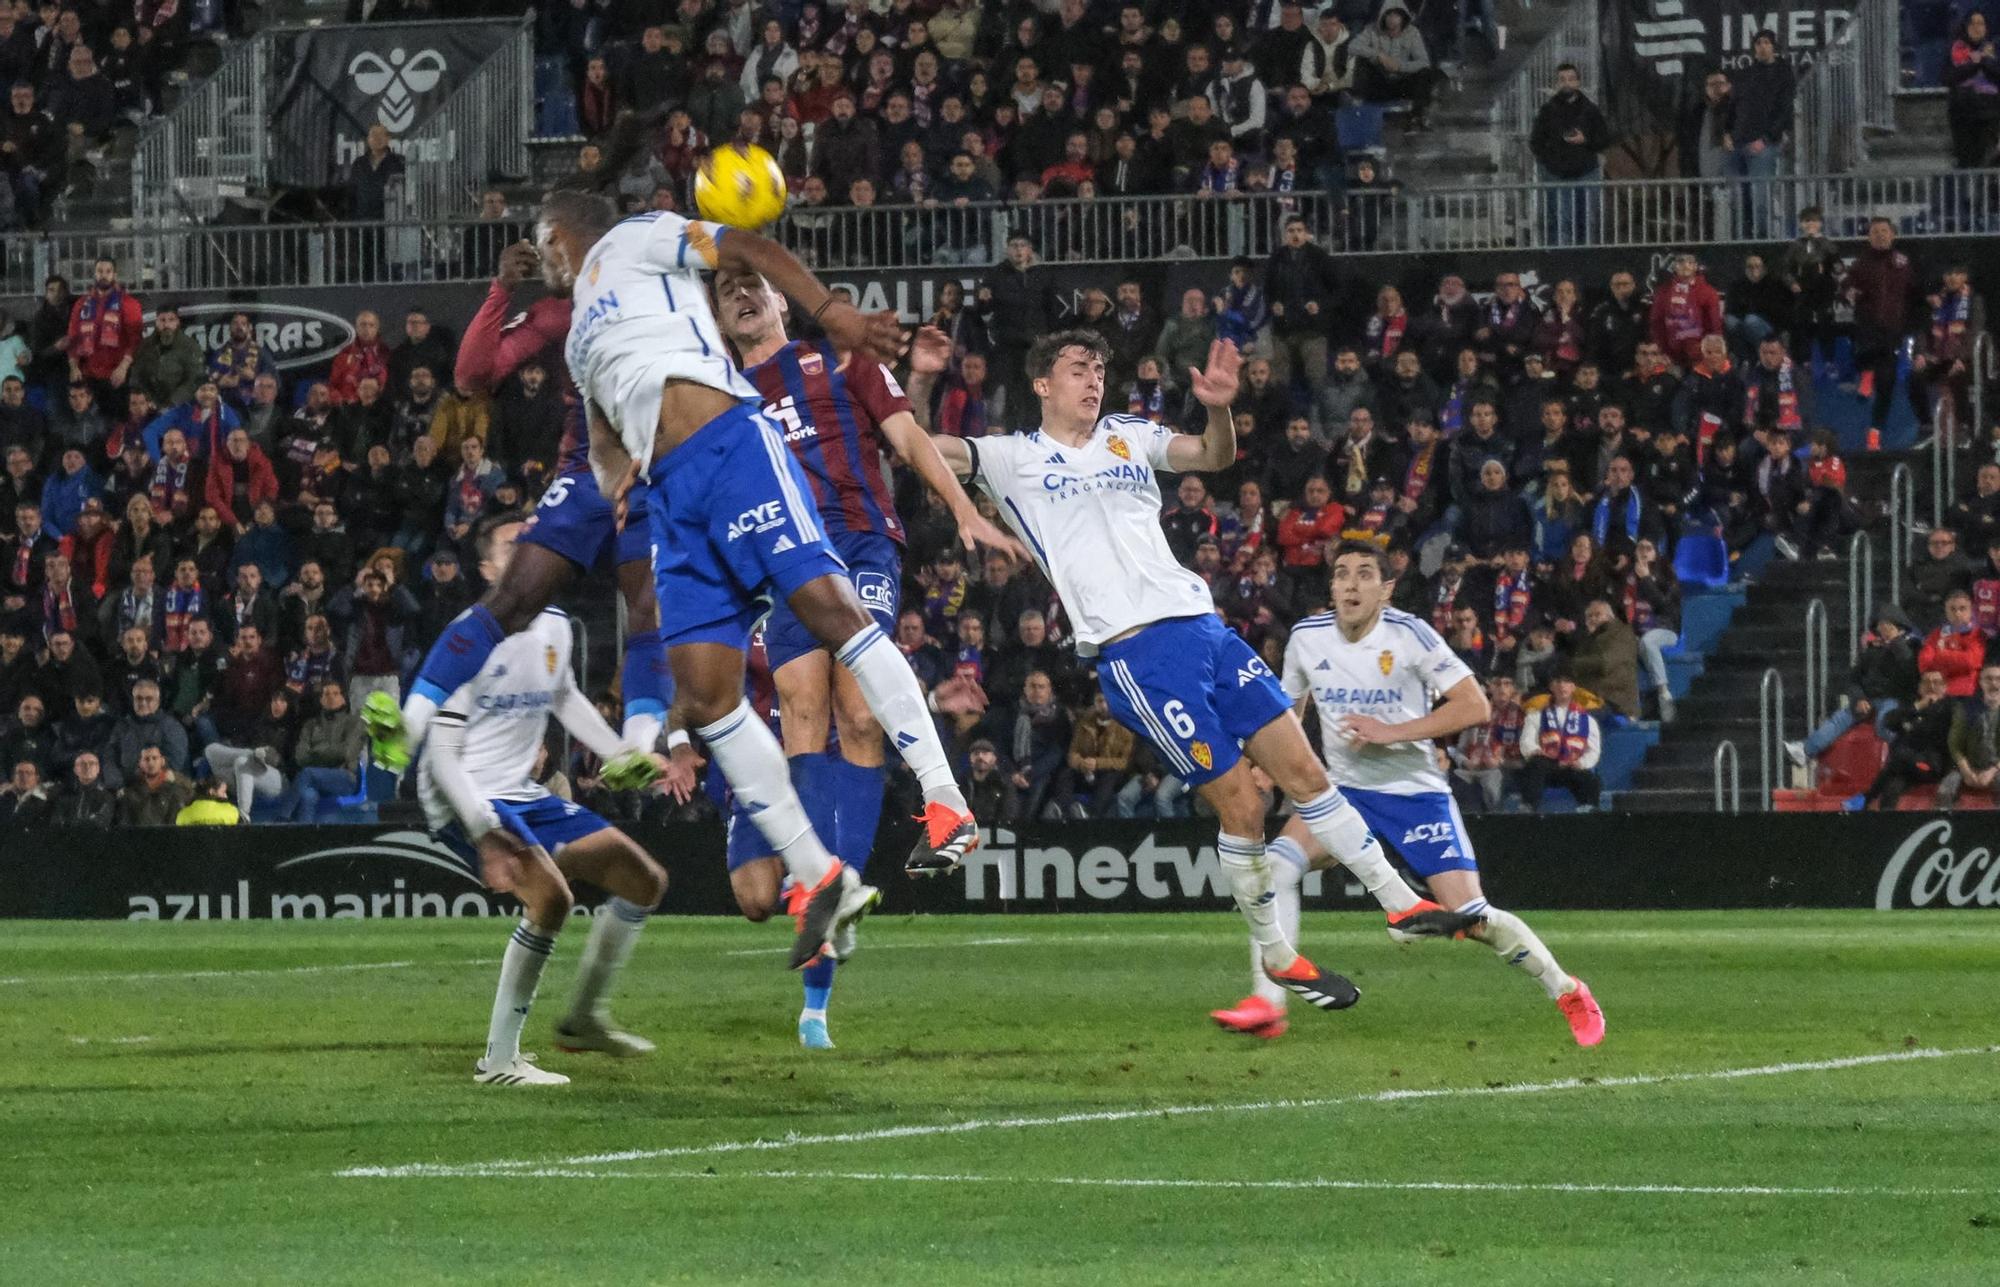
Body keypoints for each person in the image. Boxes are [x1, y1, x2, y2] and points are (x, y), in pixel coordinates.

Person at [933, 328, 1481, 1019]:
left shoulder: (1128, 435)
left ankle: (1401, 905)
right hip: (1136, 655)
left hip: (1206, 629)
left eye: (1100, 368)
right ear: (1042, 384)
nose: (1094, 379)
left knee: (1306, 773)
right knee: (1243, 807)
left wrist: (1220, 408)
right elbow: (925, 446)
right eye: (1078, 369)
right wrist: (921, 381)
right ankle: (1276, 955)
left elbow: (1212, 454)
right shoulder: (1009, 457)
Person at [536, 186, 999, 969]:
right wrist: (610, 499)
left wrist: (836, 313)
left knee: (836, 631)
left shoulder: (641, 238)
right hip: (675, 497)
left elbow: (749, 246)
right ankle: (822, 878)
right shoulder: (586, 333)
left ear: (560, 237)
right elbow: (607, 440)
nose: (535, 258)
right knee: (713, 696)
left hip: (750, 465)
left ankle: (946, 800)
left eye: (541, 241)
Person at [712, 269, 1003, 1044]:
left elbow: (907, 440)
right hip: (784, 562)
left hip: (859, 543)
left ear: (782, 300)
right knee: (802, 710)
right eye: (726, 291)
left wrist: (965, 509)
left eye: (754, 285)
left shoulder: (840, 362)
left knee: (860, 710)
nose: (742, 294)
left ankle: (849, 888)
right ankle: (823, 900)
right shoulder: (718, 395)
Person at [1207, 542, 1601, 1045]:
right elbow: (1288, 712)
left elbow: (1474, 706)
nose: (1351, 584)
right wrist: (1262, 765)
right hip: (1343, 792)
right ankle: (1269, 1003)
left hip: (1414, 794)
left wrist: (1390, 731)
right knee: (1278, 867)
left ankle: (1566, 989)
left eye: (1364, 574)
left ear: (1385, 589)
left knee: (1475, 919)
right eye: (1342, 574)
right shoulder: (1306, 638)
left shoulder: (1410, 634)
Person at [368, 239, 671, 789]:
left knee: (649, 615)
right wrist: (500, 291)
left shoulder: (657, 290)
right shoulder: (558, 313)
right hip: (587, 473)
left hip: (655, 473)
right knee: (512, 603)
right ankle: (408, 729)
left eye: (550, 240)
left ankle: (637, 748)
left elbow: (567, 698)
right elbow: (469, 378)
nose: (540, 257)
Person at [419, 514, 668, 1086]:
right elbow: (441, 754)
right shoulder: (469, 637)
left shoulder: (556, 625)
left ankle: (583, 1019)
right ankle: (499, 1062)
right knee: (552, 899)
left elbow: (566, 698)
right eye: (514, 546)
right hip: (468, 795)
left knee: (643, 880)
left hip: (522, 794)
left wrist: (620, 754)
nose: (533, 553)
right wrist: (484, 830)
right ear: (488, 570)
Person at [1786, 604, 1919, 767]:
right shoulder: (1872, 651)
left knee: (1884, 724)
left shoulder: (1912, 645)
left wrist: (1896, 642)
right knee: (1838, 720)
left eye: (1887, 625)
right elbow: (1854, 679)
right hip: (1870, 698)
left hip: (1896, 698)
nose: (1882, 629)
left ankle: (1911, 753)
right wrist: (1859, 698)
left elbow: (1911, 670)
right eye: (1880, 625)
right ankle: (1805, 750)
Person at [1846, 669, 1954, 810]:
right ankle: (1888, 828)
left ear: (1945, 687)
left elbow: (1931, 734)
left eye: (1936, 683)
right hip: (1907, 767)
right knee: (1891, 789)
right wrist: (1918, 706)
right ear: (1920, 688)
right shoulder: (1912, 706)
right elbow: (1888, 721)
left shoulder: (1950, 708)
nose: (1931, 687)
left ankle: (1866, 798)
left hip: (1931, 766)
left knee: (1898, 756)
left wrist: (1913, 723)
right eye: (1927, 682)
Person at [1528, 63, 1608, 246]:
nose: (1567, 83)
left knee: (1587, 221)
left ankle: (1586, 262)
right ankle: (1560, 264)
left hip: (1586, 172)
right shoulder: (1547, 111)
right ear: (1556, 83)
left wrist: (1585, 140)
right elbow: (1536, 142)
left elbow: (1604, 139)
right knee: (1559, 221)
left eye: (1571, 79)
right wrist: (1550, 160)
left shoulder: (1590, 110)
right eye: (1562, 79)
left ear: (1578, 82)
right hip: (1556, 175)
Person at [1731, 29, 1795, 239]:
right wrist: (1726, 132)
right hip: (1739, 141)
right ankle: (1740, 238)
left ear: (1773, 46)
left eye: (1767, 42)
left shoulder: (1784, 72)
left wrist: (1767, 138)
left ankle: (1762, 238)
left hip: (1764, 143)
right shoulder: (1746, 73)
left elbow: (1785, 110)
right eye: (1758, 43)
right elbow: (1734, 105)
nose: (1762, 46)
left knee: (1761, 197)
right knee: (1739, 197)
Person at [1518, 670, 1603, 811]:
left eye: (1567, 682)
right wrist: (1536, 751)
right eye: (1558, 682)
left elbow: (1593, 750)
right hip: (1546, 765)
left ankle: (1588, 811)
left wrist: (1581, 763)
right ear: (1551, 686)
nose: (1562, 686)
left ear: (1573, 687)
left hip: (1572, 766)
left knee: (1591, 780)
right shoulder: (1536, 715)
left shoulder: (1587, 720)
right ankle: (1528, 808)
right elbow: (1526, 741)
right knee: (1534, 766)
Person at [1940, 662, 2000, 806]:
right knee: (1945, 791)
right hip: (1966, 766)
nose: (1994, 683)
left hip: (1996, 767)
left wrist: (1992, 770)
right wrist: (1966, 771)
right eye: (1989, 679)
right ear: (1981, 682)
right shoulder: (1965, 709)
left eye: (1998, 679)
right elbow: (1954, 744)